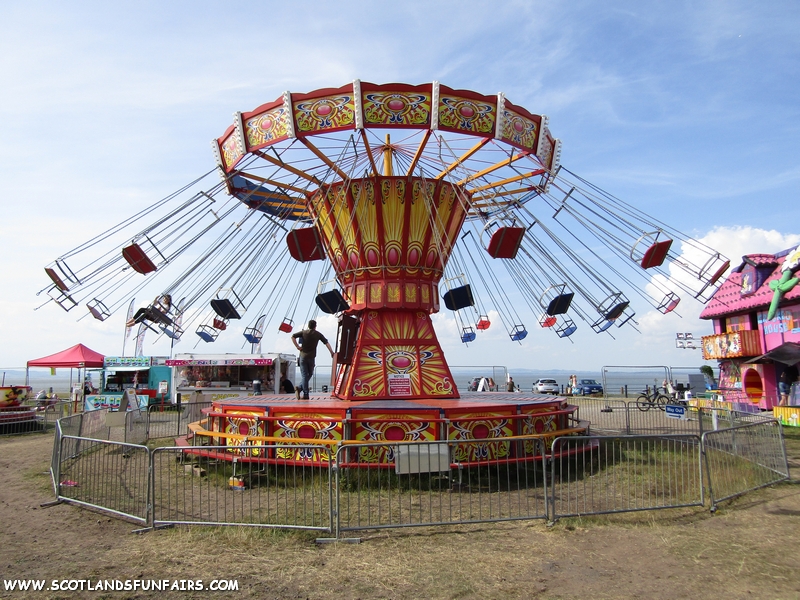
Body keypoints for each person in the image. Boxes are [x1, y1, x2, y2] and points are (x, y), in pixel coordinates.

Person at [291, 319, 334, 400]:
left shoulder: (303, 333)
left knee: (304, 375)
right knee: (309, 374)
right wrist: (331, 352)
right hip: (311, 357)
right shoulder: (318, 334)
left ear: (308, 325)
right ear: (315, 326)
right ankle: (305, 393)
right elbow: (326, 343)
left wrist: (297, 346)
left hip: (302, 357)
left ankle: (301, 389)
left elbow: (293, 336)